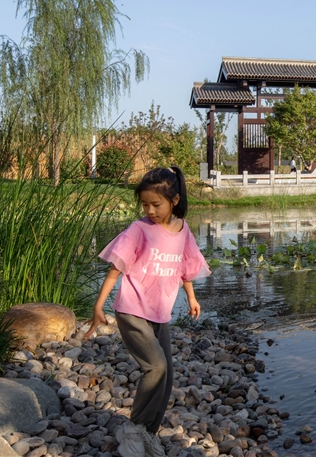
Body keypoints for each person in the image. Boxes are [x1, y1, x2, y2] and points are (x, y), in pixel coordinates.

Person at [85, 167, 210, 457]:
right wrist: (97, 305)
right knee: (156, 367)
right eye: (145, 205)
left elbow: (185, 267)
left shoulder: (183, 230)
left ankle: (147, 434)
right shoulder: (139, 229)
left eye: (156, 204)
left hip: (159, 314)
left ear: (174, 200)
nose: (150, 210)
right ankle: (133, 429)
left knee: (167, 377)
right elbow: (117, 268)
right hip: (132, 310)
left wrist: (191, 297)